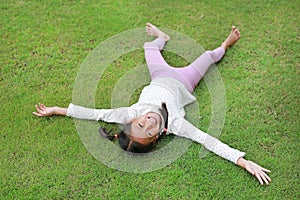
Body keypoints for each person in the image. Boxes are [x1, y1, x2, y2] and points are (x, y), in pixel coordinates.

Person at [33, 23, 271, 185]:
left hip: (159, 74)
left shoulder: (131, 112)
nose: (148, 122)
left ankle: (162, 39)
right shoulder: (176, 124)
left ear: (133, 120)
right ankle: (225, 45)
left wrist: (58, 110)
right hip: (185, 80)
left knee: (149, 46)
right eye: (150, 131)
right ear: (158, 137)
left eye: (141, 124)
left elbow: (97, 114)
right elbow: (207, 140)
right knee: (208, 56)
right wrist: (242, 161)